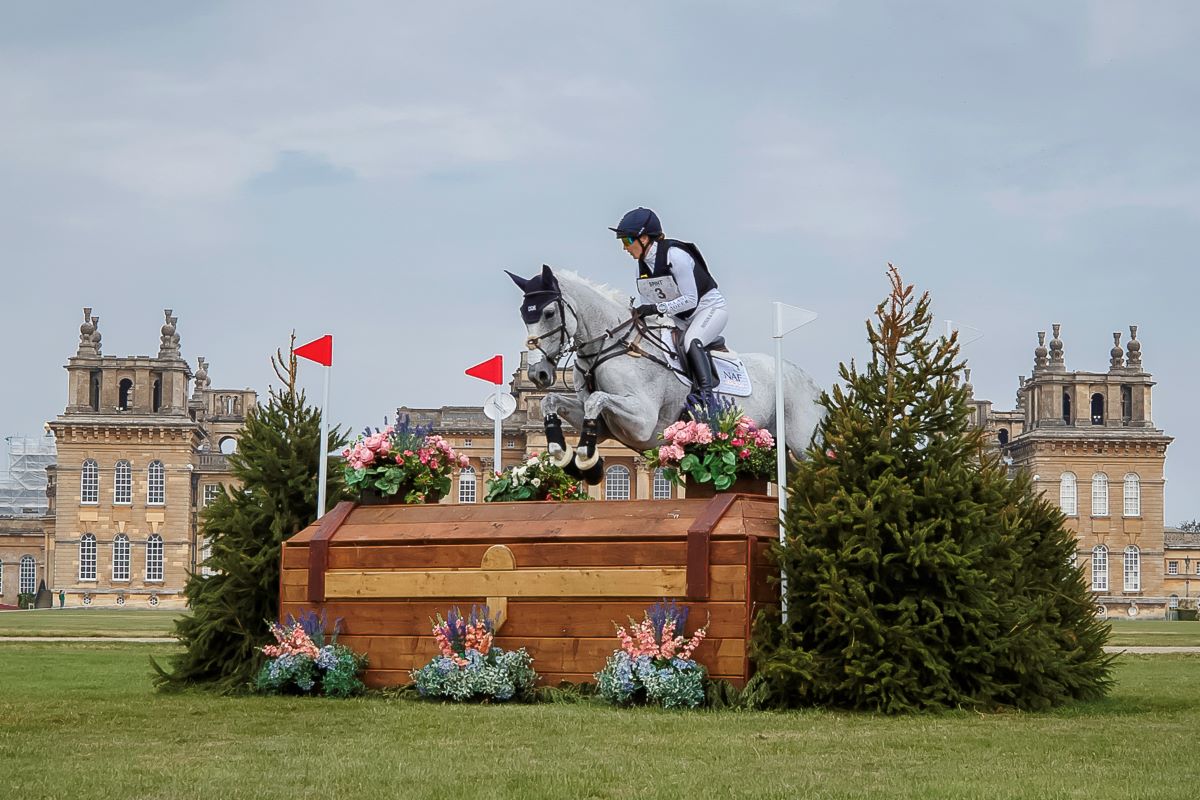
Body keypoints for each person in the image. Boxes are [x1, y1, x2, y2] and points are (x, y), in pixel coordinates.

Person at [610, 207, 728, 405]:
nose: (625, 248)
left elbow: (691, 299)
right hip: (680, 319)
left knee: (691, 341)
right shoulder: (643, 264)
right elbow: (648, 304)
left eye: (627, 241)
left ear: (644, 238)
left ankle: (706, 397)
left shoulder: (676, 256)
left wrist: (657, 309)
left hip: (709, 310)